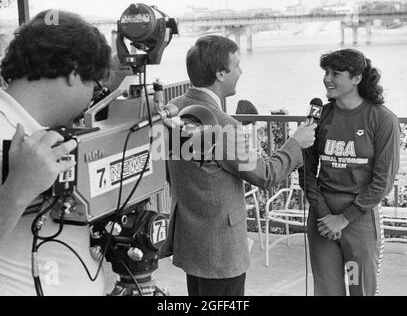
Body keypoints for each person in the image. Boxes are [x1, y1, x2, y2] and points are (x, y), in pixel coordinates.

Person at [159, 35, 317, 296]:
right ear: (221, 73)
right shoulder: (224, 127)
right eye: (237, 66)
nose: (241, 71)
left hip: (192, 239)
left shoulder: (174, 109)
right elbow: (266, 175)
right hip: (221, 251)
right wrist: (295, 144)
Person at [0, 10, 111, 295]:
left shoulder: (50, 132)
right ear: (74, 73)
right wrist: (17, 190)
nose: (91, 100)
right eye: (95, 87)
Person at [299, 48, 400, 296]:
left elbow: (382, 181)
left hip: (358, 221)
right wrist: (324, 215)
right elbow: (306, 171)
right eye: (326, 72)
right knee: (327, 290)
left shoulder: (382, 119)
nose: (327, 79)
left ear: (356, 78)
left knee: (360, 289)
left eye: (336, 73)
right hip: (322, 218)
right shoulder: (320, 117)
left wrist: (344, 219)